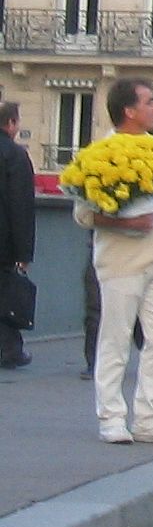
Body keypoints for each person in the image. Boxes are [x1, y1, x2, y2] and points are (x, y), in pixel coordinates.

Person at [76, 80, 153, 444]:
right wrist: (127, 222)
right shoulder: (100, 153)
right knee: (115, 339)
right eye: (150, 102)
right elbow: (84, 214)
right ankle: (111, 417)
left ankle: (149, 419)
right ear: (129, 110)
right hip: (121, 262)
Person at [0, 101, 35, 370]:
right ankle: (10, 351)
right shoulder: (14, 155)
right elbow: (20, 206)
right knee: (5, 296)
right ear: (11, 124)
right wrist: (24, 253)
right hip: (4, 241)